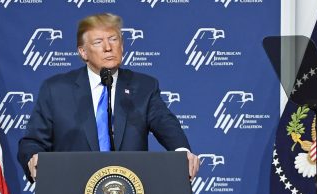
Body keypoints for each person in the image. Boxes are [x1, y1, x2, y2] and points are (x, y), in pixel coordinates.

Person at [17, 12, 200, 181]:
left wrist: (182, 152)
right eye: (98, 42)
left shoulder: (143, 86)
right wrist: (34, 158)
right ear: (83, 52)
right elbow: (32, 142)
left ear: (122, 44)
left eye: (113, 39)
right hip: (73, 189)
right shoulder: (56, 89)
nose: (108, 47)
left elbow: (165, 122)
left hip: (130, 192)